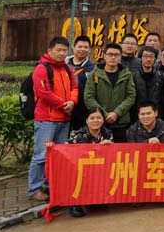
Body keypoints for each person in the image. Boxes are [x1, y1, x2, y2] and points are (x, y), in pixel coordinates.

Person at [27, 36, 79, 202]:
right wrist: (63, 104)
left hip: (64, 119)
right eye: (59, 50)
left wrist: (72, 101)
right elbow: (44, 92)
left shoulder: (68, 68)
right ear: (50, 50)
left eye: (65, 50)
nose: (62, 53)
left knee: (58, 155)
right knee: (41, 155)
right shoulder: (41, 68)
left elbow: (75, 87)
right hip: (46, 120)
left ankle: (51, 186)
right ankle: (34, 189)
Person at [84, 43, 137, 143]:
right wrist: (103, 114)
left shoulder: (127, 74)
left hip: (120, 122)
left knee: (119, 151)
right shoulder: (94, 74)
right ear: (104, 56)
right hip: (99, 123)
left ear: (120, 57)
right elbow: (89, 97)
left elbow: (131, 96)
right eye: (110, 54)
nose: (113, 57)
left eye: (116, 55)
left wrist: (117, 113)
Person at [66, 107, 113, 217]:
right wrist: (51, 146)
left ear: (103, 120)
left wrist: (110, 146)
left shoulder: (107, 133)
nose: (95, 120)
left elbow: (112, 156)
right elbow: (66, 153)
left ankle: (96, 198)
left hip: (99, 169)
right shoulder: (76, 134)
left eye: (98, 118)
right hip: (80, 168)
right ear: (87, 120)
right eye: (92, 118)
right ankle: (74, 204)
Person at [66, 34, 95, 132]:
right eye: (80, 46)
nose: (82, 49)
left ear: (89, 50)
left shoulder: (93, 69)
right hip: (63, 109)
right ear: (73, 48)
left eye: (86, 47)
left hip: (82, 113)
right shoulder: (63, 64)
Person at [133, 45, 164, 119]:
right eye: (145, 56)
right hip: (137, 115)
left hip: (156, 115)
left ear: (155, 59)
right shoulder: (133, 76)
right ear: (140, 58)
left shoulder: (161, 76)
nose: (148, 59)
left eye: (151, 56)